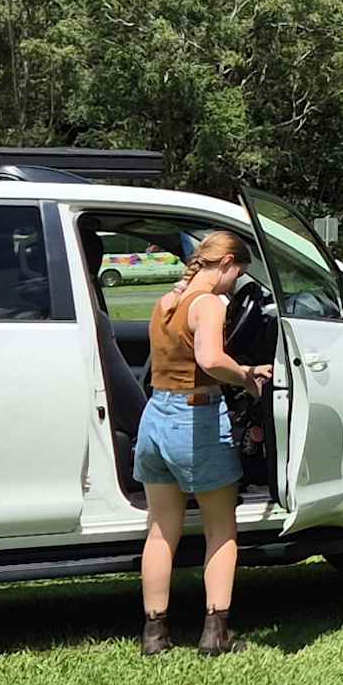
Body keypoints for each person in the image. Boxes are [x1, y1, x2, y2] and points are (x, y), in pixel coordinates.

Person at [135, 231, 274, 655]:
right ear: (227, 262)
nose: (234, 284)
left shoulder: (166, 301)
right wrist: (247, 377)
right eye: (238, 274)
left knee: (161, 529)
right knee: (220, 528)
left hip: (155, 419)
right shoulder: (209, 304)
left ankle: (155, 633)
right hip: (195, 419)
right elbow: (210, 359)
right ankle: (216, 633)